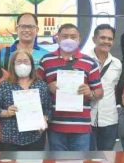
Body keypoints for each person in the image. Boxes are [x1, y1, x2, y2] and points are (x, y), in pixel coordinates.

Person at [38, 23, 103, 151]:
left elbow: (100, 92)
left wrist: (90, 93)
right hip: (55, 126)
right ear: (57, 38)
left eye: (73, 37)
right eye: (65, 36)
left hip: (81, 128)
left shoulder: (90, 62)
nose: (69, 39)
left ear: (79, 39)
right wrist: (48, 87)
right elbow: (36, 89)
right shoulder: (46, 60)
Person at [0, 50, 52, 151]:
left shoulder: (40, 85)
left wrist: (44, 119)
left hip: (35, 139)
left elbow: (48, 109)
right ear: (13, 65)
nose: (22, 64)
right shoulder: (5, 85)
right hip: (10, 141)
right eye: (19, 62)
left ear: (31, 64)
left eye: (26, 61)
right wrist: (7, 112)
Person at [89, 24, 122, 151]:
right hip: (88, 119)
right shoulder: (84, 60)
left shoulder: (117, 64)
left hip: (110, 119)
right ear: (94, 39)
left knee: (107, 159)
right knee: (87, 159)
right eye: (103, 38)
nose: (106, 41)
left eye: (110, 39)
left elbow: (115, 88)